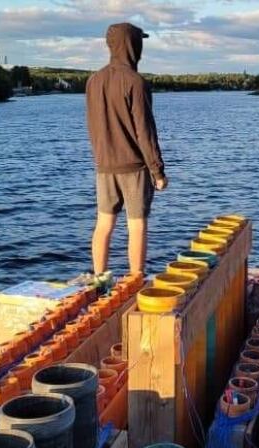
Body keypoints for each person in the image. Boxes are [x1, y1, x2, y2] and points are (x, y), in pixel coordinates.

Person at [86, 22, 167, 276]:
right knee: (137, 226)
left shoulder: (93, 81)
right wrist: (158, 172)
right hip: (134, 168)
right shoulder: (136, 82)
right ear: (133, 45)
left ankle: (98, 278)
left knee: (104, 224)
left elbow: (93, 124)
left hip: (104, 167)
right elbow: (145, 131)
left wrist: (101, 157)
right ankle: (135, 279)